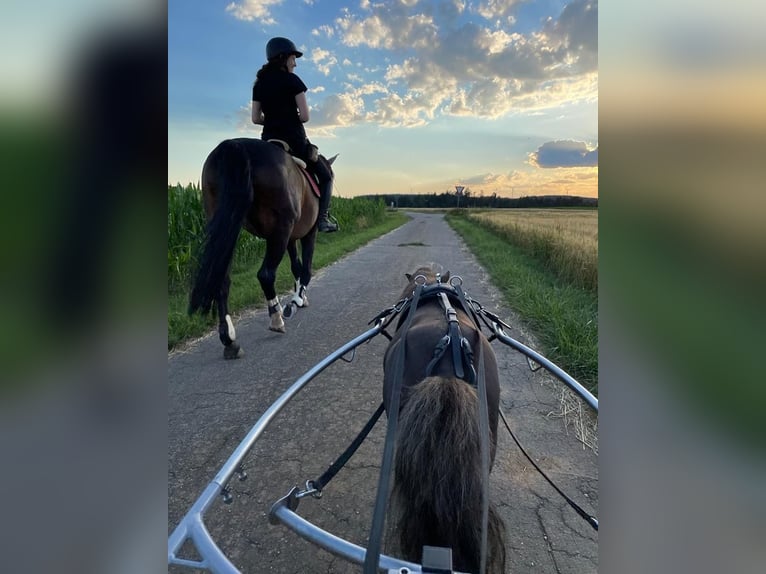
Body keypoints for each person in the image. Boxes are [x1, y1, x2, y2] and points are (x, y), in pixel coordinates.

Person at [251, 36, 338, 232]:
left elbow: (256, 119)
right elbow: (305, 116)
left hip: (269, 143)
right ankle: (322, 219)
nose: (295, 63)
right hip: (295, 142)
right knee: (326, 176)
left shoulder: (259, 85)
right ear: (283, 57)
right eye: (293, 58)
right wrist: (288, 118)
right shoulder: (293, 80)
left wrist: (273, 119)